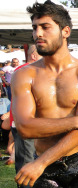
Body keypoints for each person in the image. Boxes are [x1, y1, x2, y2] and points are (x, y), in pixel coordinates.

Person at [11, 1, 78, 187]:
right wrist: (75, 121)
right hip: (44, 164)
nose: (38, 34)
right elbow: (25, 128)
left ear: (65, 31)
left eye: (46, 27)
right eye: (35, 28)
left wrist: (41, 162)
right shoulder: (23, 75)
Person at [9, 45, 42, 186]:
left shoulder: (27, 71)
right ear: (34, 55)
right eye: (42, 55)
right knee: (27, 162)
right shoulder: (26, 71)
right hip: (26, 124)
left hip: (26, 123)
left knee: (27, 160)